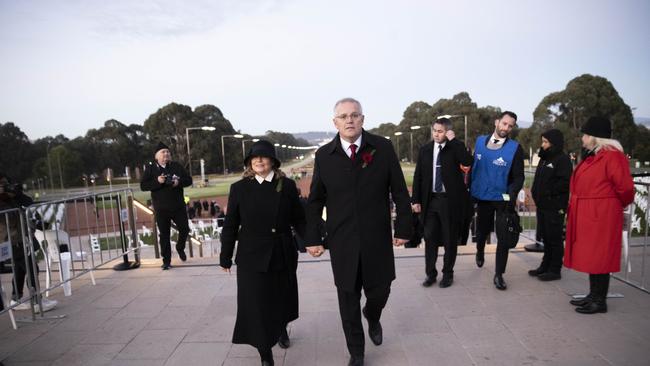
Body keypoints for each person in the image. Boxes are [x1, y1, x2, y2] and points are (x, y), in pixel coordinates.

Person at [305, 98, 412, 366]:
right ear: (335, 122)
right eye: (343, 116)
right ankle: (357, 352)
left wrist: (403, 227)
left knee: (381, 290)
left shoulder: (383, 148)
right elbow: (316, 200)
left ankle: (373, 315)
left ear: (363, 119)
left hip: (377, 237)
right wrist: (312, 237)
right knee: (347, 299)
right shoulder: (324, 156)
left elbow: (399, 190)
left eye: (354, 115)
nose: (349, 120)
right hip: (342, 240)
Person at [220, 140, 306, 366]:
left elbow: (298, 218)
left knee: (281, 298)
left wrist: (312, 241)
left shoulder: (286, 186)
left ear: (273, 161)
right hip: (251, 255)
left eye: (264, 157)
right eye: (254, 157)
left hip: (282, 251)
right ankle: (265, 354)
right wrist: (225, 255)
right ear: (249, 162)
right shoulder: (239, 188)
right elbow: (231, 224)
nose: (258, 160)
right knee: (256, 305)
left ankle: (281, 329)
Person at [564, 117, 634, 314]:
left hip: (602, 214)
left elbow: (625, 188)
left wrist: (610, 204)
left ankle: (599, 300)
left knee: (600, 257)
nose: (583, 139)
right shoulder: (596, 155)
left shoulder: (612, 156)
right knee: (593, 256)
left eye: (585, 135)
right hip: (592, 213)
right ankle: (593, 295)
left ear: (596, 137)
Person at [412, 118, 473, 288]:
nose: (436, 134)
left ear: (447, 132)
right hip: (430, 200)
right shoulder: (425, 150)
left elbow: (468, 161)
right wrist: (415, 199)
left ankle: (448, 274)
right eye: (435, 130)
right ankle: (430, 274)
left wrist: (454, 140)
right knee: (430, 238)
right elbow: (418, 176)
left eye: (440, 131)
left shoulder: (454, 148)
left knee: (449, 239)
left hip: (449, 201)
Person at [470, 111, 525, 290]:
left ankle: (499, 274)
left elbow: (518, 177)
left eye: (510, 126)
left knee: (503, 238)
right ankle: (479, 250)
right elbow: (473, 168)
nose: (506, 128)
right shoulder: (479, 142)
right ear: (497, 122)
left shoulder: (515, 148)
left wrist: (511, 194)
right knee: (482, 230)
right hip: (482, 197)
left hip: (502, 200)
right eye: (504, 124)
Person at [0, 172, 57, 313]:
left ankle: (16, 299)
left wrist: (17, 195)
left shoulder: (11, 198)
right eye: (3, 185)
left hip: (20, 239)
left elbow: (29, 203)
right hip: (10, 241)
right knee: (31, 268)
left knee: (20, 270)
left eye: (7, 184)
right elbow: (10, 216)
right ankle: (37, 301)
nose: (7, 187)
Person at [140, 142, 192, 270]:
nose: (166, 154)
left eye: (168, 152)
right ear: (156, 156)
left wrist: (178, 182)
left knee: (184, 229)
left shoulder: (176, 166)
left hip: (178, 206)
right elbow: (143, 186)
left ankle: (180, 247)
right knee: (164, 235)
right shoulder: (151, 168)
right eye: (163, 152)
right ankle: (167, 260)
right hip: (161, 208)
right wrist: (157, 181)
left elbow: (189, 180)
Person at [528, 129, 572, 281]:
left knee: (554, 239)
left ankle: (555, 269)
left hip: (554, 206)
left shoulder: (563, 160)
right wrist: (536, 193)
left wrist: (547, 193)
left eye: (545, 142)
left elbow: (564, 183)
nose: (543, 145)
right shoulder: (544, 158)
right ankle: (545, 266)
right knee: (546, 237)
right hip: (543, 206)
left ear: (554, 143)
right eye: (542, 141)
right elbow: (539, 179)